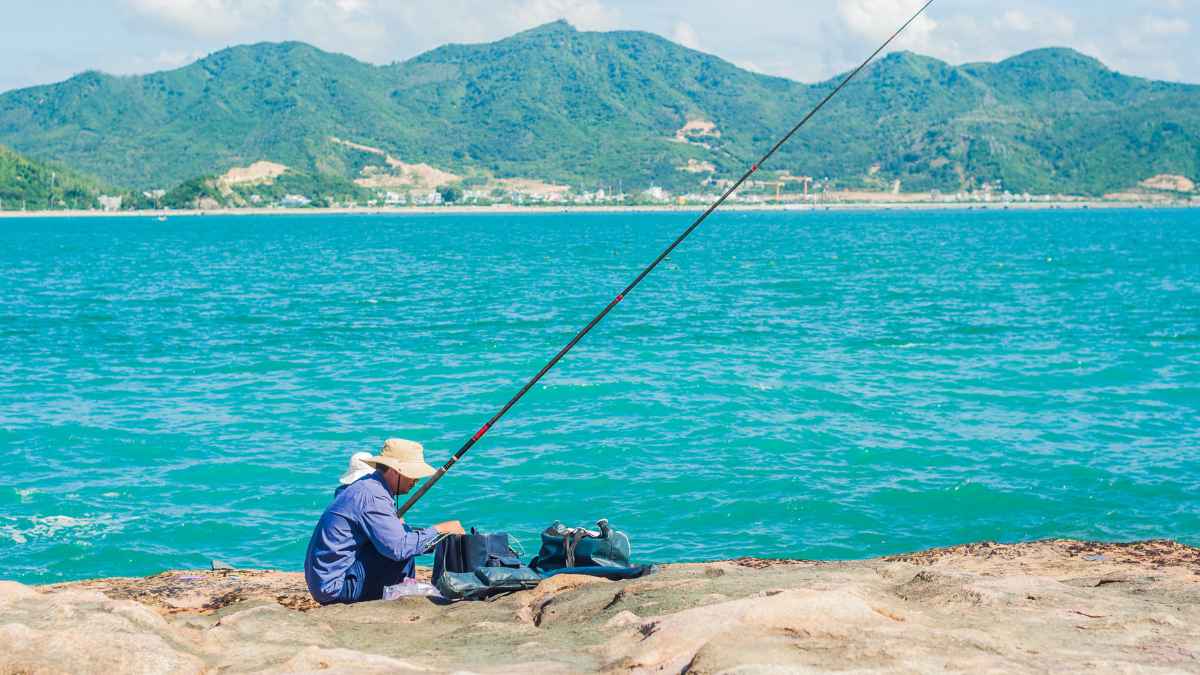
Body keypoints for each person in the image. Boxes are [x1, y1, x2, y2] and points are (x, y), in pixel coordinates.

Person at [304, 438, 464, 604]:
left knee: (407, 539)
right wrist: (438, 530)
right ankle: (403, 598)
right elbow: (399, 548)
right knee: (403, 551)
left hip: (326, 580)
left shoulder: (368, 485)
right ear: (395, 471)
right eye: (413, 475)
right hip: (336, 588)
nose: (416, 481)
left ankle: (404, 591)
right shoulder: (373, 496)